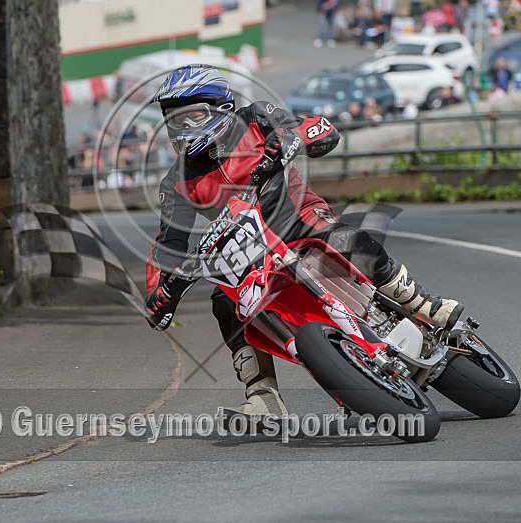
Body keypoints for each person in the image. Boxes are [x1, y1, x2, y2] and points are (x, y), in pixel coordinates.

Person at [143, 65, 464, 419]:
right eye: (175, 121)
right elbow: (166, 245)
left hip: (300, 218)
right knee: (224, 300)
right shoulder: (176, 182)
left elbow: (319, 128)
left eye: (192, 117)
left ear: (221, 108)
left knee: (345, 238)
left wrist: (293, 138)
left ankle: (420, 302)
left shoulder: (256, 117)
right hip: (246, 256)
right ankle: (262, 394)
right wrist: (159, 292)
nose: (183, 129)